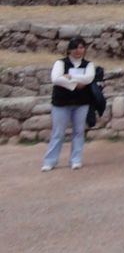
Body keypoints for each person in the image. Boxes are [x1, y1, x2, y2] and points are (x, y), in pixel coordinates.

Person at [41, 36, 94, 172]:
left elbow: (88, 78)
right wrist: (75, 84)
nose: (78, 50)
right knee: (58, 133)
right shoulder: (60, 63)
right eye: (75, 47)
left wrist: (69, 77)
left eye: (81, 47)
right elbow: (56, 79)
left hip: (81, 102)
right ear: (70, 49)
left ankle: (75, 159)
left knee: (78, 132)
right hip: (61, 103)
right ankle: (50, 161)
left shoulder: (88, 64)